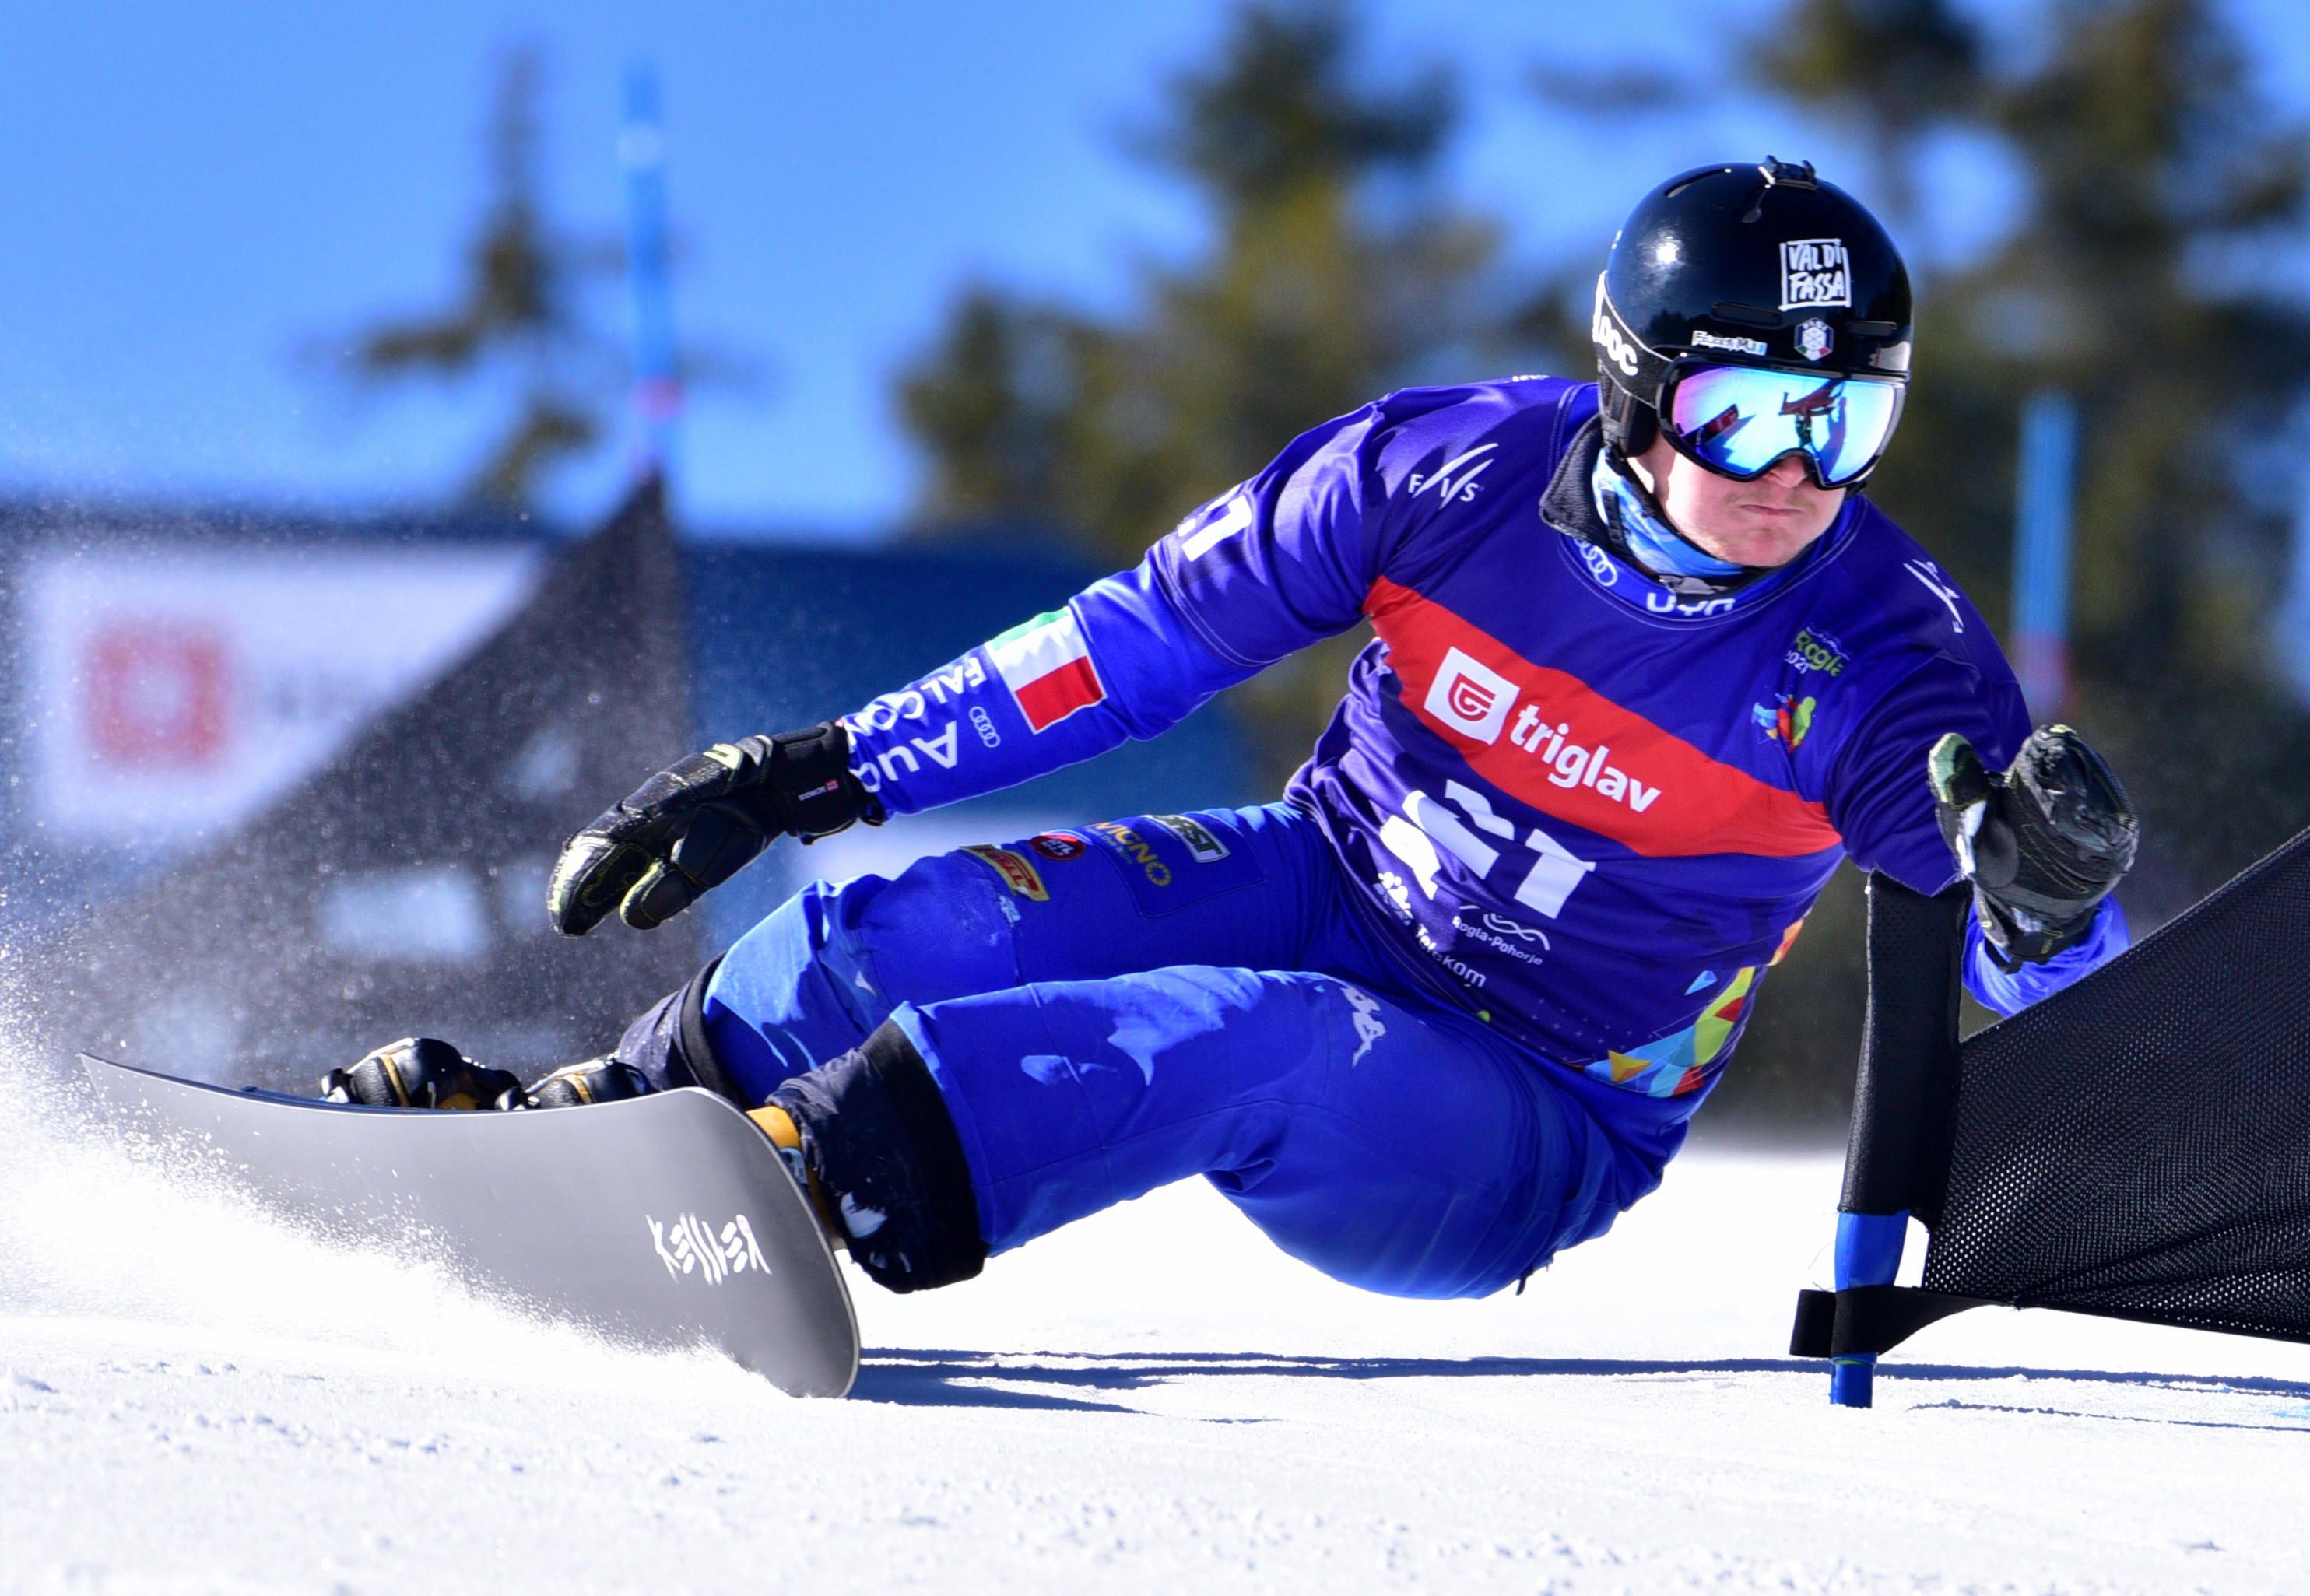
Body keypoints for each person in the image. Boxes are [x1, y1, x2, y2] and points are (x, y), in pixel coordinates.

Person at [327, 159, 2139, 1300]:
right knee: (922, 923)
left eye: (1852, 422)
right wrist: (818, 774)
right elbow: (1126, 652)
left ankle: (804, 1190)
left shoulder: (1891, 653)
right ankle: (587, 1126)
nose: (1798, 479)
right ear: (1639, 387)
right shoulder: (1442, 478)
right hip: (1321, 882)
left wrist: (2052, 902)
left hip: (1528, 1107)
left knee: (1257, 1044)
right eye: (1752, 414)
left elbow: (2044, 972)